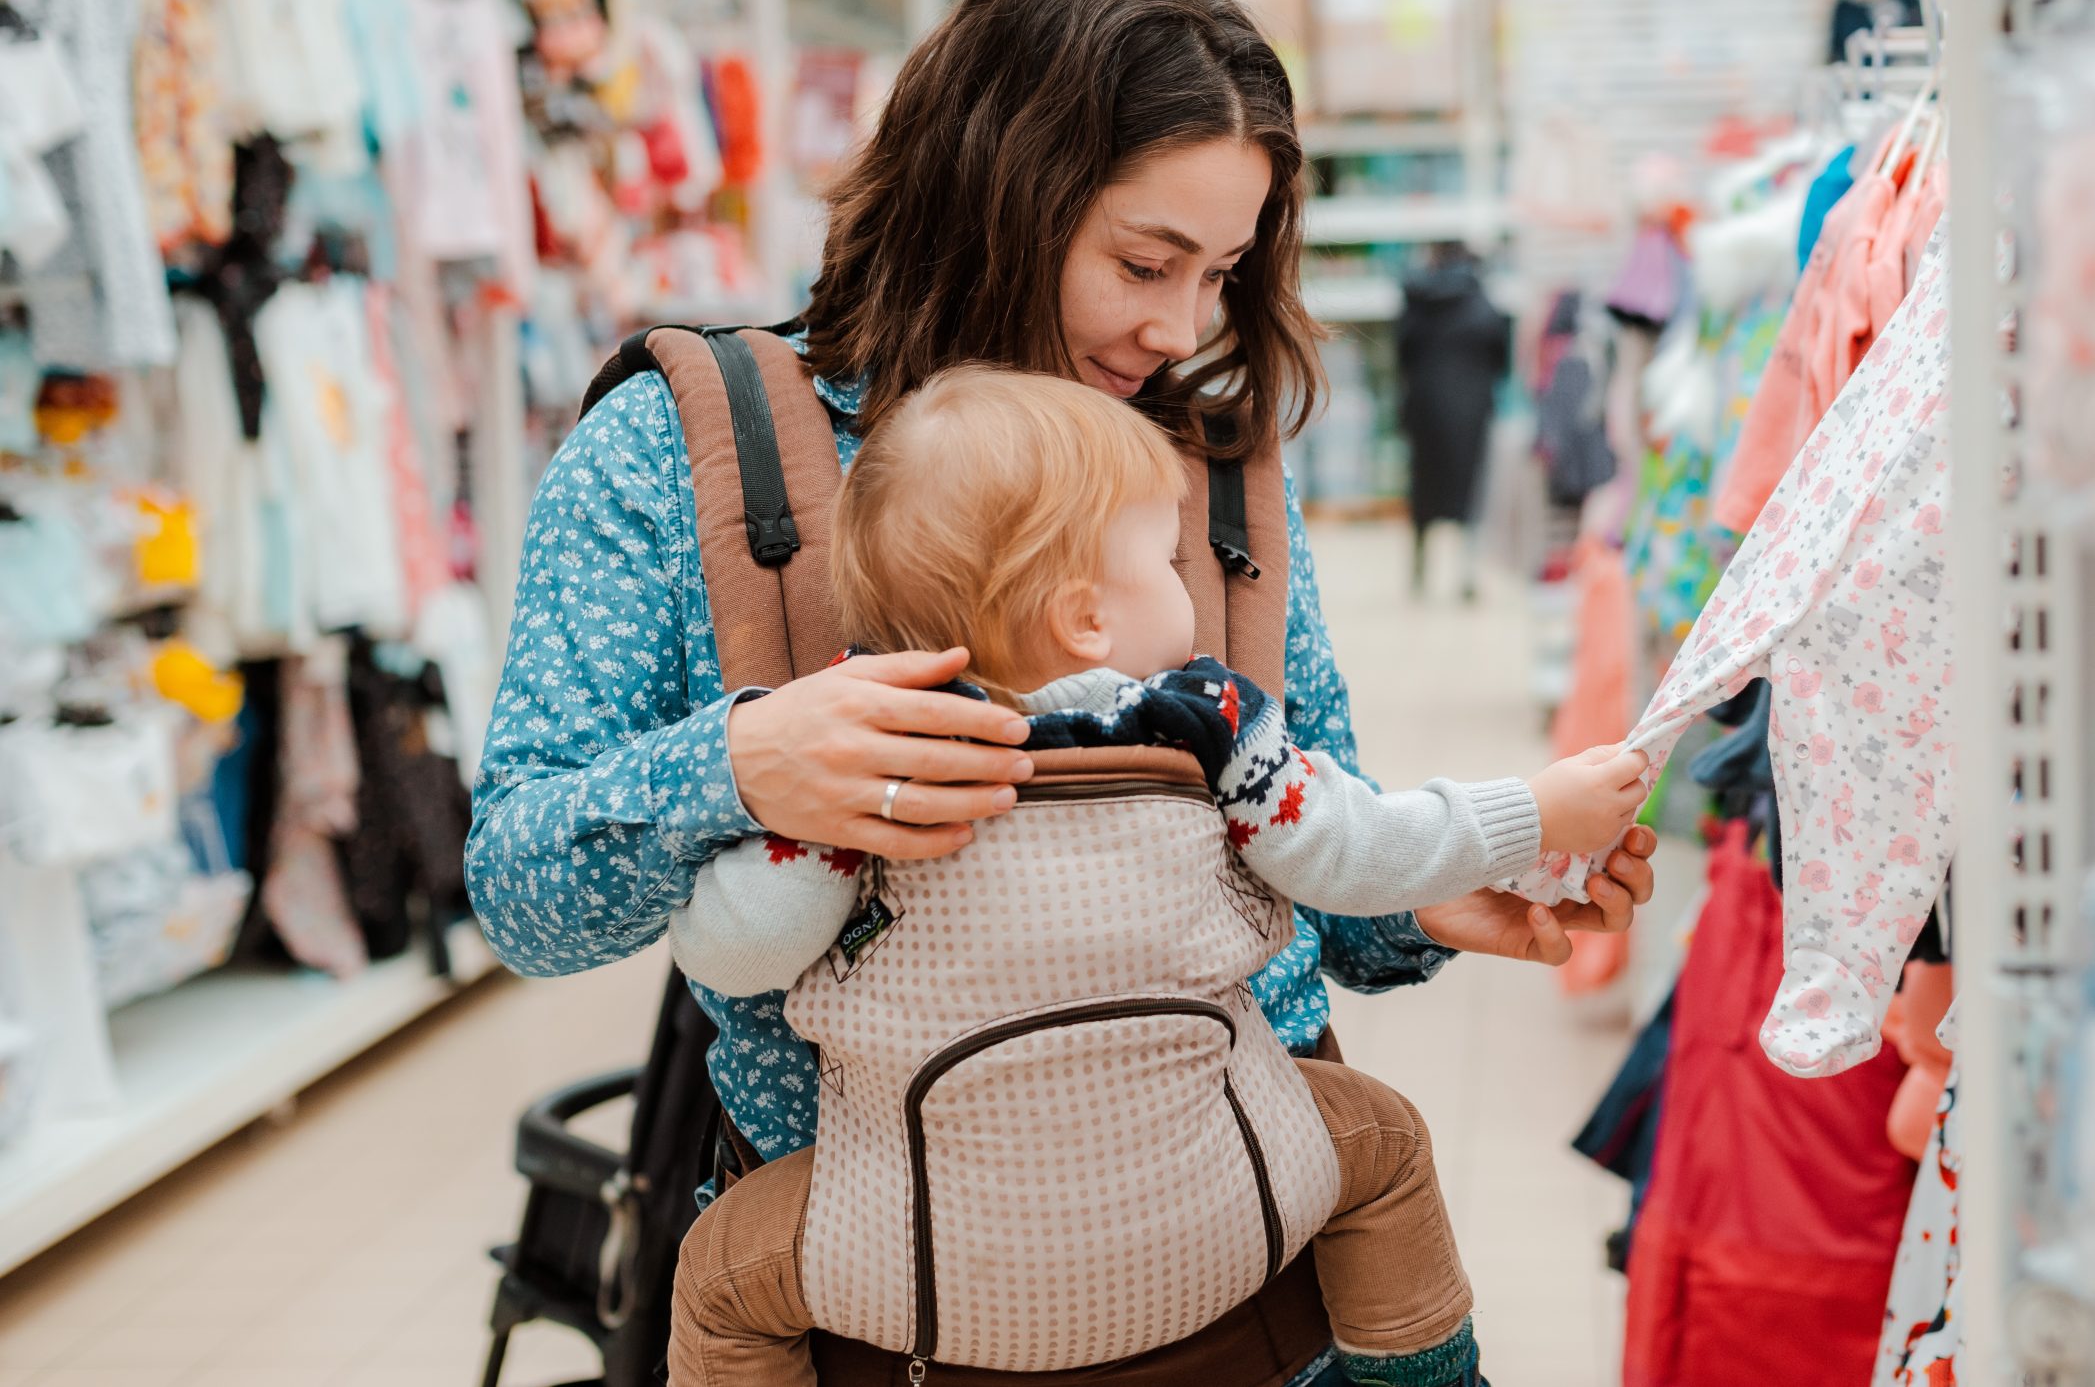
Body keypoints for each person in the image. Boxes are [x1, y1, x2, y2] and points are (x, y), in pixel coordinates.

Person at [464, 0, 1657, 1383]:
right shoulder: (687, 451)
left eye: (1221, 273)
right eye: (1145, 261)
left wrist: (1427, 903)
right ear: (994, 187)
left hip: (1246, 1286)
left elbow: (1316, 861)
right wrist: (747, 762)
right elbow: (520, 890)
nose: (1180, 326)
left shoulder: (1205, 473)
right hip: (883, 1304)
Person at [661, 366, 1650, 1387]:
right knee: (1384, 1140)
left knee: (720, 1275)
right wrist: (1533, 812)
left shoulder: (873, 766)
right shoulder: (1211, 727)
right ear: (1087, 618)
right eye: (1169, 556)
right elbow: (1365, 852)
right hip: (1228, 1225)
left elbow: (738, 954)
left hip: (924, 1274)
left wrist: (748, 806)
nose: (1188, 578)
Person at [1394, 243, 1511, 600]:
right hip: (1471, 415)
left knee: (1423, 495)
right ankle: (1468, 575)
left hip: (1423, 413)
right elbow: (1501, 359)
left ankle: (1418, 572)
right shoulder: (1481, 304)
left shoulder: (1416, 302)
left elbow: (1401, 354)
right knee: (1470, 495)